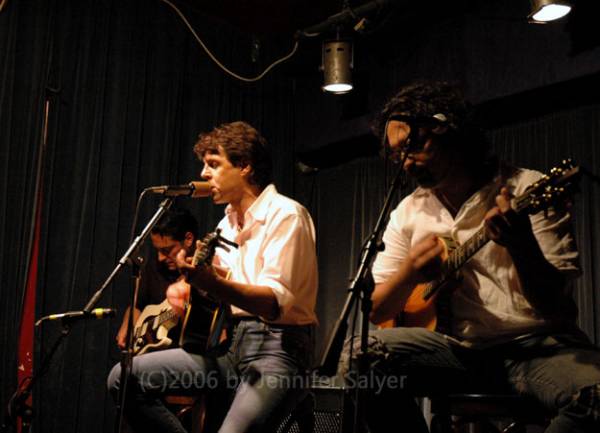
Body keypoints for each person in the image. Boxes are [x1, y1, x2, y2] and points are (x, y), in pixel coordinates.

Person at [343, 80, 600, 433]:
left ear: (449, 128)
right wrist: (410, 274)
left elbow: (558, 309)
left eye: (413, 146)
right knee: (359, 357)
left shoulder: (526, 188)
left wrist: (520, 243)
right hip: (459, 352)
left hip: (538, 346)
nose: (406, 162)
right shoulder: (408, 211)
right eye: (397, 154)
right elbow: (377, 310)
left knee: (595, 396)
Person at [107, 121, 318, 433]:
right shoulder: (224, 225)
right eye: (204, 166)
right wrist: (191, 288)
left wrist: (211, 282)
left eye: (213, 165)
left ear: (245, 165)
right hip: (231, 346)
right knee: (123, 378)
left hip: (279, 350)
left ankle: (296, 394)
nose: (204, 174)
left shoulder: (286, 215)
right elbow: (216, 292)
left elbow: (274, 305)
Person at [115, 208, 198, 349]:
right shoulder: (154, 267)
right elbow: (137, 305)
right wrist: (128, 326)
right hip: (155, 349)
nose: (160, 257)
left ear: (188, 239)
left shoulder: (206, 272)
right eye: (158, 250)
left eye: (167, 250)